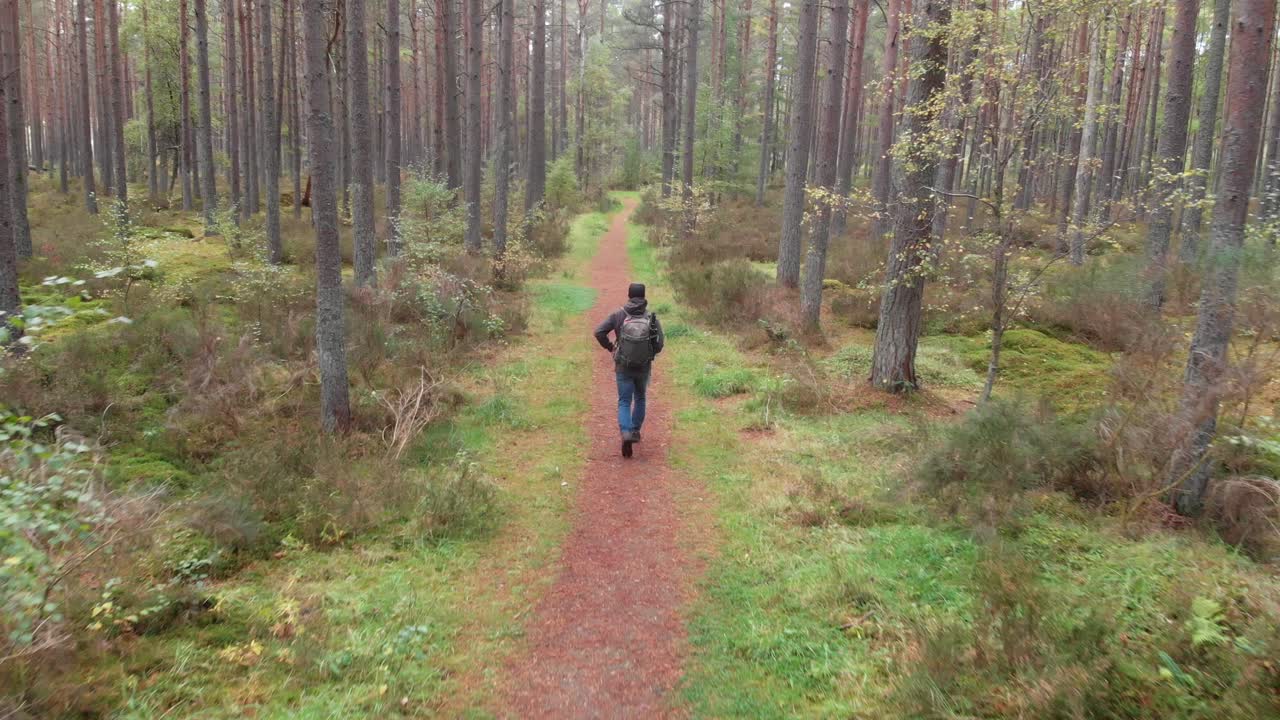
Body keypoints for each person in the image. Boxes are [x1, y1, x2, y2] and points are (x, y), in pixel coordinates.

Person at [594, 283, 665, 458]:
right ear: (644, 296)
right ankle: (635, 430)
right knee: (640, 398)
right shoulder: (651, 317)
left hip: (623, 366)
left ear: (629, 295)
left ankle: (626, 432)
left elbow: (599, 332)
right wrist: (650, 354)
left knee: (624, 401)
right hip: (643, 366)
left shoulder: (619, 315)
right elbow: (660, 343)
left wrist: (611, 347)